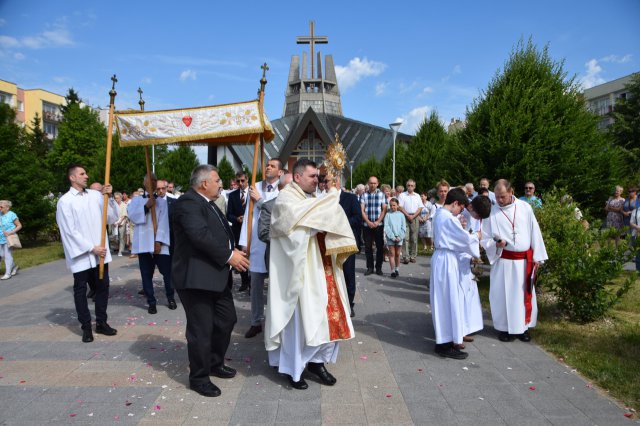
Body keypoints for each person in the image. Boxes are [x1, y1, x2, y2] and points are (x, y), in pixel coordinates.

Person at [265, 159, 357, 390]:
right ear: (297, 177)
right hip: (300, 272)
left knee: (328, 319)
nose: (317, 180)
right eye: (312, 176)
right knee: (301, 323)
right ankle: (294, 369)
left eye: (318, 176)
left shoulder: (314, 199)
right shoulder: (287, 199)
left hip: (322, 267)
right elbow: (293, 230)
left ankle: (317, 362)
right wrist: (329, 202)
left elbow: (326, 217)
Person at [171, 164, 250, 397]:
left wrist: (232, 248)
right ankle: (199, 377)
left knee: (226, 320)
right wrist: (229, 256)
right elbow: (199, 236)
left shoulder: (208, 203)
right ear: (204, 183)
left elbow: (218, 232)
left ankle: (215, 363)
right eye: (217, 180)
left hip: (215, 275)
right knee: (201, 330)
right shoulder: (187, 203)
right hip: (196, 278)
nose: (221, 184)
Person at [56, 164, 119, 342]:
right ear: (72, 178)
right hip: (82, 254)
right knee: (81, 289)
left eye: (85, 173)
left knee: (102, 288)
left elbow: (111, 218)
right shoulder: (65, 201)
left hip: (99, 253)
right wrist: (91, 247)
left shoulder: (95, 196)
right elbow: (69, 230)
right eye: (82, 174)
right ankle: (86, 326)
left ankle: (101, 322)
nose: (86, 176)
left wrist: (110, 198)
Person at [480, 179, 548, 342]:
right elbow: (484, 238)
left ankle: (522, 328)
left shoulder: (525, 208)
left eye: (502, 196)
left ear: (511, 192)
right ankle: (505, 329)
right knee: (503, 296)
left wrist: (538, 256)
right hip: (503, 261)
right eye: (496, 196)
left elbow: (534, 232)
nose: (499, 200)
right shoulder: (491, 212)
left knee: (522, 296)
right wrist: (496, 244)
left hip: (524, 261)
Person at [430, 188, 479, 359]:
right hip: (446, 260)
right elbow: (464, 239)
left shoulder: (440, 214)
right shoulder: (446, 217)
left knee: (449, 299)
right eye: (461, 208)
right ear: (456, 203)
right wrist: (477, 237)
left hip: (444, 258)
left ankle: (449, 339)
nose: (460, 212)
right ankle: (443, 344)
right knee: (446, 300)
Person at [239, 158, 284, 338]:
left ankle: (276, 322)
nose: (268, 168)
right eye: (267, 165)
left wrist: (260, 201)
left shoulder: (285, 190)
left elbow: (278, 213)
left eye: (272, 166)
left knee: (275, 285)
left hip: (275, 243)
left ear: (280, 172)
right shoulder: (255, 187)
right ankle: (256, 321)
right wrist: (244, 242)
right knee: (255, 283)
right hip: (257, 243)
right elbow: (248, 217)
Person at [128, 173, 176, 314]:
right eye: (150, 180)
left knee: (167, 273)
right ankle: (151, 302)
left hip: (159, 244)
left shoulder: (161, 201)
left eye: (155, 180)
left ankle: (170, 297)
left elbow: (163, 223)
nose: (153, 182)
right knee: (146, 274)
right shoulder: (136, 201)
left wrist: (159, 241)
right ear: (144, 183)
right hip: (143, 244)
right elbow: (133, 217)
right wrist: (146, 207)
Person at [458, 195, 492, 344]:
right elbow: (462, 238)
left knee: (470, 293)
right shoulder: (461, 217)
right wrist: (474, 237)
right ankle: (459, 329)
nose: (478, 219)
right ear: (471, 207)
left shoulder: (476, 216)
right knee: (461, 295)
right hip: (460, 259)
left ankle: (468, 326)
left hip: (470, 258)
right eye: (477, 215)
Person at [338, 177, 362, 316]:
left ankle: (349, 303)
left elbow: (357, 217)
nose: (325, 184)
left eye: (328, 181)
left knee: (348, 273)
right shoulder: (322, 199)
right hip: (328, 244)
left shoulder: (350, 198)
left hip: (346, 242)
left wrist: (341, 222)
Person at [226, 171, 251, 292]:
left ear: (247, 180)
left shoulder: (253, 194)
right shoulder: (232, 195)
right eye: (238, 181)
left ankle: (252, 282)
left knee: (252, 256)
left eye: (242, 180)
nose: (240, 183)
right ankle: (245, 281)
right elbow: (228, 214)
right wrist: (236, 218)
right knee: (242, 256)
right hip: (238, 230)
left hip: (252, 231)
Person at [361, 176, 387, 276]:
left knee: (380, 247)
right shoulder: (364, 195)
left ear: (377, 184)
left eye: (374, 183)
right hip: (367, 225)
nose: (372, 185)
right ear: (368, 183)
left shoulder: (382, 195)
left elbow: (384, 209)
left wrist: (377, 222)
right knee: (368, 247)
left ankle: (379, 268)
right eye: (371, 183)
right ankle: (370, 267)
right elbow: (362, 210)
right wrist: (368, 222)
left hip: (378, 225)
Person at [397, 179, 424, 264]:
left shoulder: (417, 196)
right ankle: (406, 257)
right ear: (406, 186)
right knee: (405, 237)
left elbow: (420, 207)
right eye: (408, 185)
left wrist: (413, 216)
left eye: (412, 185)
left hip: (415, 217)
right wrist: (408, 215)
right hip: (405, 216)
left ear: (414, 187)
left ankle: (413, 256)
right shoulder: (402, 195)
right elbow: (400, 207)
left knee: (414, 238)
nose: (410, 187)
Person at [384, 198, 406, 278]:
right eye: (391, 205)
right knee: (392, 253)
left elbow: (403, 227)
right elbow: (387, 226)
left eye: (394, 205)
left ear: (397, 205)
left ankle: (397, 268)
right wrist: (392, 236)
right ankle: (392, 270)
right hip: (391, 237)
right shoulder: (388, 215)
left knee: (397, 254)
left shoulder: (401, 215)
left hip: (399, 237)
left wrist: (400, 236)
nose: (392, 207)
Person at [0, 200, 22, 280]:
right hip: (0, 238)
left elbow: (19, 225)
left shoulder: (12, 214)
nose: (0, 207)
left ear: (7, 207)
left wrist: (11, 232)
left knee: (7, 256)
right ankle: (14, 267)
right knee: (1, 255)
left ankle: (8, 273)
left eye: (1, 206)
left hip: (8, 238)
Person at [113, 192, 128, 257]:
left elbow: (124, 215)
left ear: (120, 198)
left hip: (122, 222)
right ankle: (117, 247)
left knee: (121, 237)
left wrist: (119, 222)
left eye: (117, 198)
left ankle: (120, 251)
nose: (116, 199)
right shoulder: (113, 205)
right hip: (114, 222)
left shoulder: (124, 205)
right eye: (115, 198)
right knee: (115, 237)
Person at [630, 202, 640, 271]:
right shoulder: (635, 210)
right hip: (637, 234)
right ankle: (638, 270)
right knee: (638, 253)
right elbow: (631, 222)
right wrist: (637, 227)